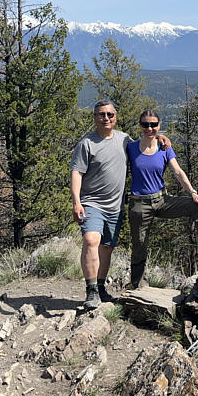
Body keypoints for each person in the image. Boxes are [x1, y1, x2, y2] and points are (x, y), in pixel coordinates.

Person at [127, 110, 198, 289]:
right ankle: (137, 285)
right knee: (139, 245)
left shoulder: (164, 148)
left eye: (153, 124)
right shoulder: (131, 147)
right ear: (140, 126)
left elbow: (178, 172)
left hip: (162, 200)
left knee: (197, 206)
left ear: (159, 126)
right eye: (145, 124)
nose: (149, 128)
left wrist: (193, 192)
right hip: (139, 203)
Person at [70, 100, 130, 309]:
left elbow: (144, 148)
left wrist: (159, 138)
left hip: (115, 206)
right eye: (101, 114)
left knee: (106, 248)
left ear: (115, 117)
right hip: (91, 202)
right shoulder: (86, 143)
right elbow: (76, 173)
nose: (106, 118)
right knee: (91, 239)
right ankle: (91, 291)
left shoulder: (124, 140)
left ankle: (101, 288)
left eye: (110, 114)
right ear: (95, 117)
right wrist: (77, 202)